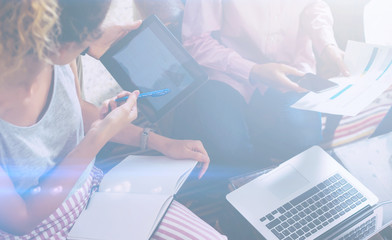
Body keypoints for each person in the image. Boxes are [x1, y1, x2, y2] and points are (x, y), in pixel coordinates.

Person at [0, 0, 226, 239]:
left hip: (93, 192)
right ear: (62, 46)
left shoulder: (60, 59)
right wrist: (98, 137)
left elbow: (75, 110)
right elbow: (22, 219)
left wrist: (158, 141)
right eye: (87, 38)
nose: (88, 49)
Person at [173, 0, 350, 179]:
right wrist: (253, 70)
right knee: (229, 149)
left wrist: (327, 45)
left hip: (293, 65)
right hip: (228, 68)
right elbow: (196, 41)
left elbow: (313, 6)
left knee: (308, 143)